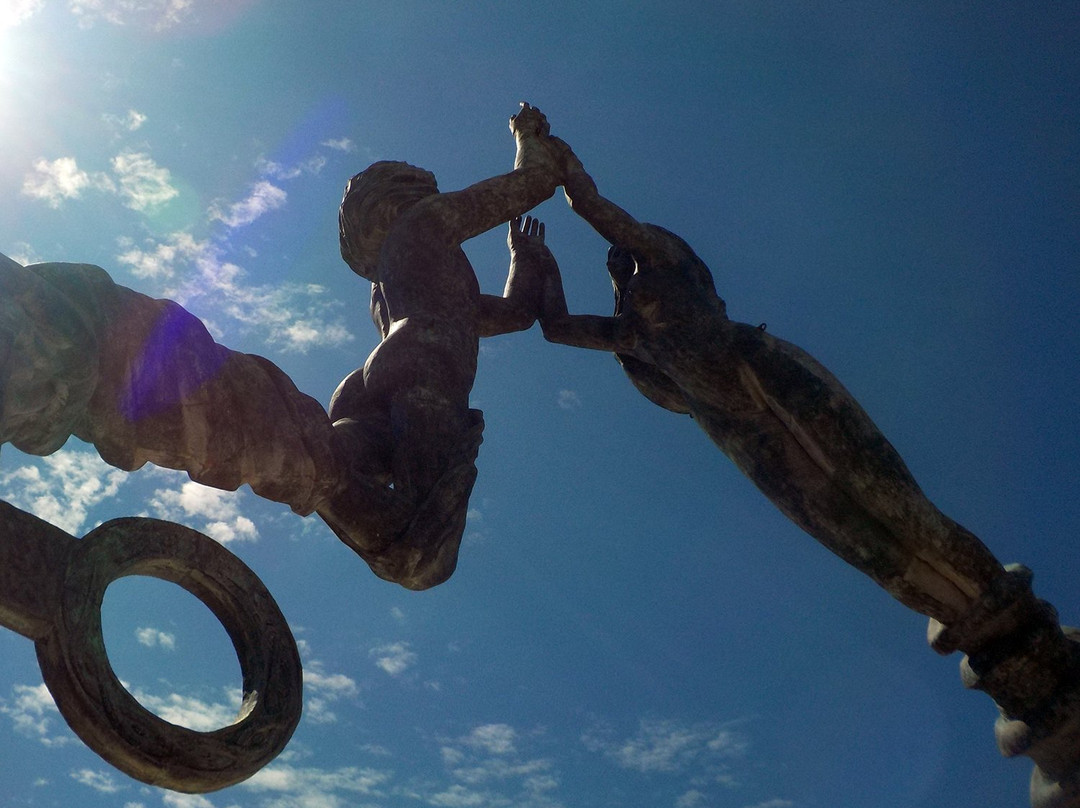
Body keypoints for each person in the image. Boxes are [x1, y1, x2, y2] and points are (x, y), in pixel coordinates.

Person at [517, 146, 1006, 625]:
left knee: (887, 497)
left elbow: (592, 207)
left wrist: (562, 166)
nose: (616, 254)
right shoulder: (633, 336)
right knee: (854, 538)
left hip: (757, 366)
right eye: (614, 260)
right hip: (729, 421)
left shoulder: (668, 262)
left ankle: (998, 594)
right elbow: (557, 327)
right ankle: (959, 619)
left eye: (623, 249)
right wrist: (540, 260)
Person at [307, 103, 568, 588]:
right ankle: (279, 442)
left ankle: (295, 447)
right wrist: (527, 136)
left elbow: (514, 314)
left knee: (333, 468)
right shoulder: (423, 223)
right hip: (427, 363)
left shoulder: (390, 281)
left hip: (370, 383)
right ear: (393, 199)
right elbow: (535, 182)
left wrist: (523, 258)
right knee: (420, 555)